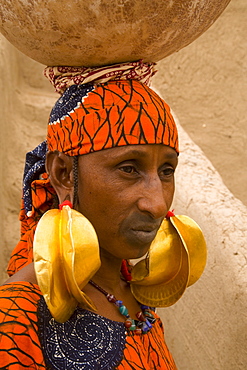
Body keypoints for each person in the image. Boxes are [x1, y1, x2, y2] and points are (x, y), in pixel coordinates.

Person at [0, 61, 205, 369]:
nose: (158, 204)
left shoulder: (136, 301)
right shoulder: (15, 317)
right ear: (64, 173)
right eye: (128, 169)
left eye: (166, 171)